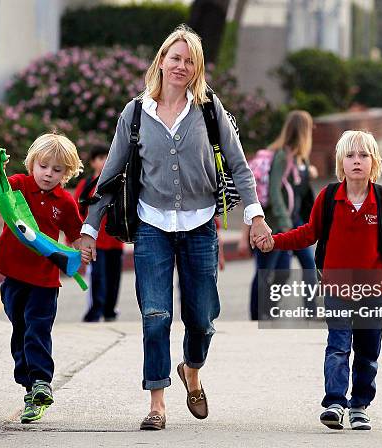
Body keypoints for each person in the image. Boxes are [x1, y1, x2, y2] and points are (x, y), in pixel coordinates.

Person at [79, 24, 271, 430]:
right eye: (175, 58)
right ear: (161, 61)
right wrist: (90, 231)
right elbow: (109, 177)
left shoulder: (208, 109)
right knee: (155, 314)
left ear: (197, 68)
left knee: (202, 317)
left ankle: (192, 368)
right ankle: (157, 401)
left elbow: (238, 166)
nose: (181, 66)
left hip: (201, 226)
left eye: (190, 61)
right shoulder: (135, 113)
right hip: (152, 226)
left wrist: (255, 216)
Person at [255, 130, 382, 431]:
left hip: (373, 289)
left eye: (363, 155)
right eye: (350, 156)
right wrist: (274, 242)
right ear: (340, 163)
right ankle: (334, 402)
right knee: (337, 346)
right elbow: (308, 233)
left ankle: (359, 405)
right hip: (337, 287)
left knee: (368, 351)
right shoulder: (329, 198)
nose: (357, 161)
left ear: (374, 162)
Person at [0, 133, 84, 423]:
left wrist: (82, 248)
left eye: (57, 170)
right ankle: (29, 383)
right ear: (33, 164)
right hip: (13, 275)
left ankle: (41, 382)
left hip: (44, 280)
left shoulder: (65, 203)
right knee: (20, 328)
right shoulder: (19, 185)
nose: (48, 174)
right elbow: (1, 190)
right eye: (44, 166)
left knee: (37, 328)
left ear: (66, 174)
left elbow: (75, 233)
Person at [240, 110, 318, 320]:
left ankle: (311, 311)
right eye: (309, 127)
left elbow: (299, 193)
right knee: (267, 271)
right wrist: (284, 223)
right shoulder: (282, 156)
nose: (312, 131)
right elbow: (274, 191)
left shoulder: (301, 158)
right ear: (302, 130)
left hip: (295, 222)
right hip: (276, 223)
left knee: (305, 266)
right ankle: (258, 314)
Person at [74, 146, 123, 322]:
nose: (104, 162)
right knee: (97, 277)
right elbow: (76, 211)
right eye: (100, 158)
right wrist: (76, 237)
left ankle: (110, 310)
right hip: (95, 243)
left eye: (107, 157)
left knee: (114, 278)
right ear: (93, 162)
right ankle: (95, 312)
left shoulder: (118, 183)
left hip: (115, 242)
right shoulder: (86, 185)